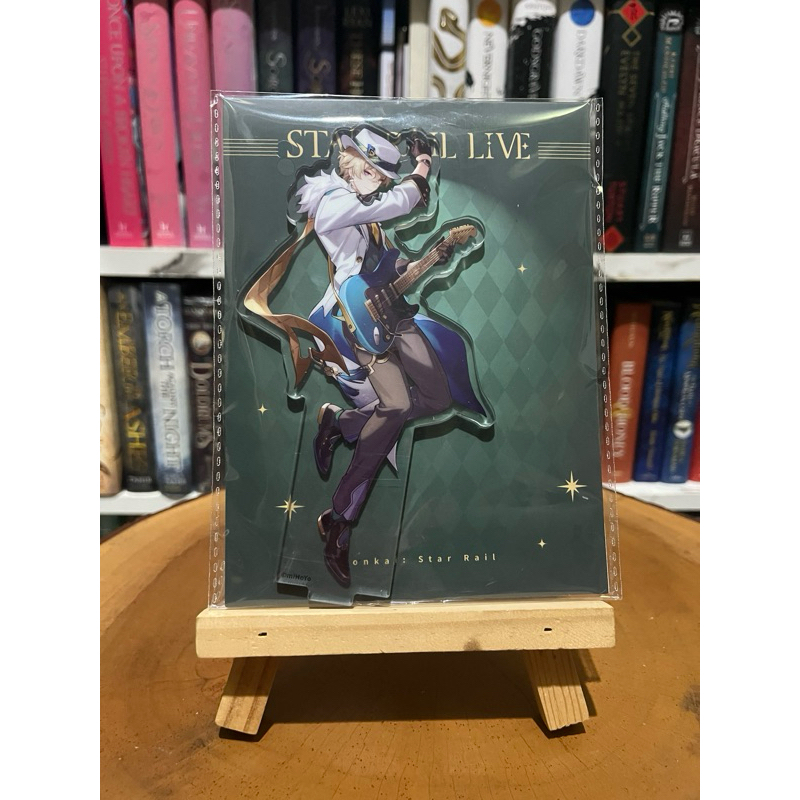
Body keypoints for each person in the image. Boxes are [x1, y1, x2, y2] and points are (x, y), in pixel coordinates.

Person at [245, 127, 487, 588]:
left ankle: (341, 423)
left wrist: (431, 259)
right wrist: (422, 165)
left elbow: (391, 264)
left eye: (381, 176)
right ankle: (339, 519)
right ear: (352, 160)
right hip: (356, 318)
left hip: (392, 310)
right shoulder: (332, 202)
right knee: (395, 408)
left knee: (438, 398)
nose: (376, 182)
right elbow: (401, 201)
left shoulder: (365, 215)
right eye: (373, 172)